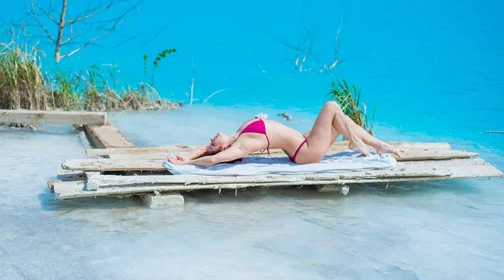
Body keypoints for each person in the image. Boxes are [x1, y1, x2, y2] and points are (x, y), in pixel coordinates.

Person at [167, 101, 402, 167]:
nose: (210, 139)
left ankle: (375, 144)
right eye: (212, 142)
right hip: (305, 152)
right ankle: (358, 142)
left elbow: (206, 150)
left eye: (210, 141)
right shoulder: (242, 144)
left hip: (304, 141)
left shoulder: (239, 132)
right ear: (223, 147)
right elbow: (214, 158)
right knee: (331, 107)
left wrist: (189, 155)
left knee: (341, 119)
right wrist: (188, 163)